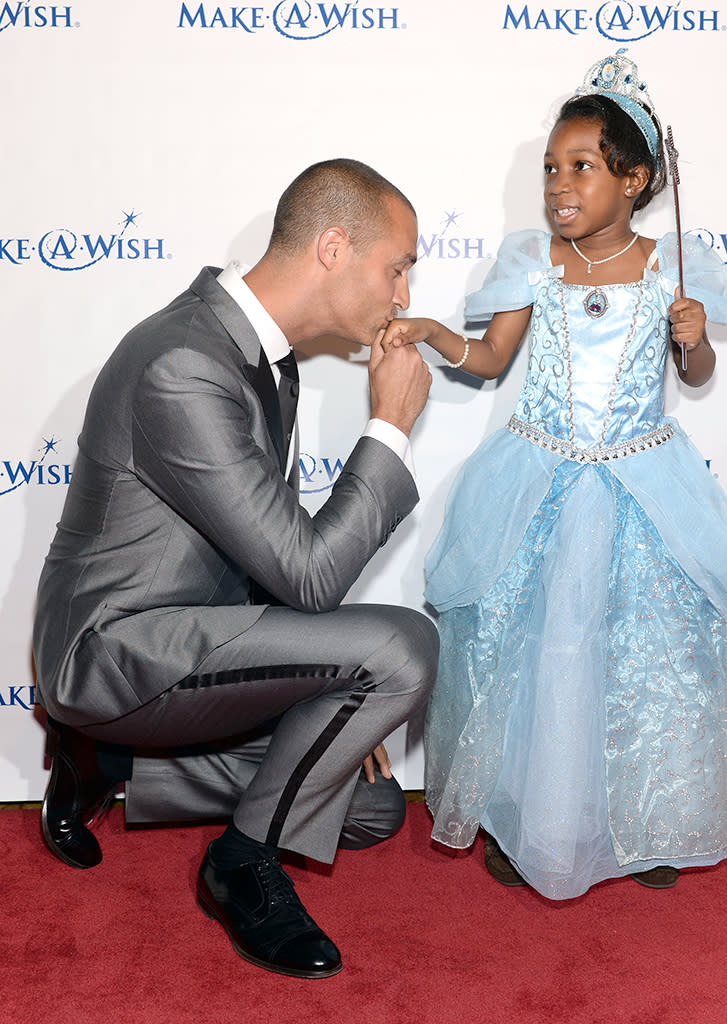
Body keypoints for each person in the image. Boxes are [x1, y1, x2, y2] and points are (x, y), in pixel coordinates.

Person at [33, 157, 438, 977]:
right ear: (333, 246)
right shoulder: (183, 364)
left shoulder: (263, 357)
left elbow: (272, 563)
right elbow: (311, 577)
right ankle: (241, 864)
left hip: (200, 647)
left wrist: (328, 691)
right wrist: (390, 427)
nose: (403, 297)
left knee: (371, 808)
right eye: (397, 268)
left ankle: (112, 763)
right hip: (114, 652)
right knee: (406, 650)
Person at [381, 50, 727, 900]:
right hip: (538, 483)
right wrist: (438, 334)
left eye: (582, 166)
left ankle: (646, 821)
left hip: (640, 488)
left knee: (638, 661)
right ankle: (529, 822)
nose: (559, 183)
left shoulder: (670, 267)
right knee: (538, 655)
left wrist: (690, 337)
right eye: (552, 166)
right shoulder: (533, 261)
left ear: (635, 178)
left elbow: (692, 378)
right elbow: (489, 359)